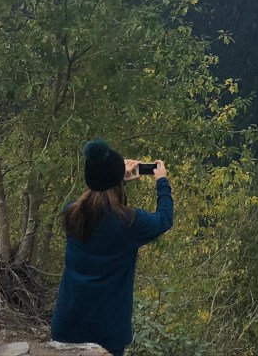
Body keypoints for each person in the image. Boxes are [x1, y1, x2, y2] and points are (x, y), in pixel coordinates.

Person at [50, 139, 173, 356]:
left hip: (67, 324)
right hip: (108, 331)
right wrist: (162, 181)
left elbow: (98, 199)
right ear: (116, 179)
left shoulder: (71, 213)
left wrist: (116, 179)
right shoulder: (130, 222)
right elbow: (164, 219)